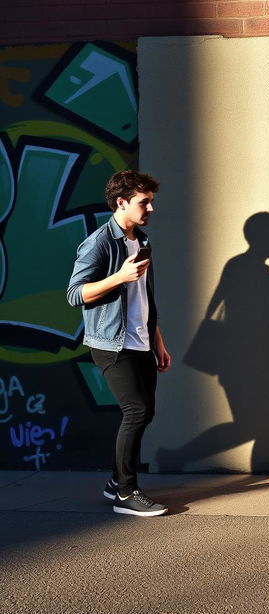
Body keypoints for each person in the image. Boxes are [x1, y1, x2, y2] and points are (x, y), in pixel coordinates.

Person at [165, 212, 269, 473]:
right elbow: (258, 319)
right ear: (263, 238)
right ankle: (180, 456)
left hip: (257, 358)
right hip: (248, 360)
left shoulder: (250, 267)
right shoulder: (247, 268)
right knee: (257, 423)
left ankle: (264, 465)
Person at [67, 170, 171, 517]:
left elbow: (144, 297)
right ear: (121, 202)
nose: (151, 208)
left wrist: (158, 341)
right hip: (111, 343)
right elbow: (74, 294)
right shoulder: (98, 243)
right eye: (145, 202)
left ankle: (116, 480)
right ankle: (126, 493)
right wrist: (118, 277)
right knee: (136, 410)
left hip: (141, 340)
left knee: (146, 412)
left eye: (151, 201)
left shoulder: (141, 241)